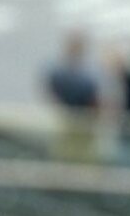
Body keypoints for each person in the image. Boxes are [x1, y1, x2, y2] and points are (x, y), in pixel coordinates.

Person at [41, 30, 102, 167]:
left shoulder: (88, 71)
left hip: (84, 119)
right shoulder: (62, 71)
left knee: (82, 155)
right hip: (70, 118)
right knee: (67, 153)